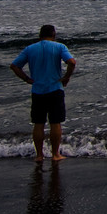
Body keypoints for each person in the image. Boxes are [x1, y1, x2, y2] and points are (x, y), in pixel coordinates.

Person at [11, 25, 77, 162]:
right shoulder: (59, 47)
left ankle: (39, 155)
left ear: (40, 35)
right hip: (55, 89)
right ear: (54, 35)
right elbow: (71, 62)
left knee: (38, 123)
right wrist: (66, 77)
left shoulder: (30, 49)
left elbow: (14, 66)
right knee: (55, 123)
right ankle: (55, 154)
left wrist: (26, 79)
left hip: (37, 90)